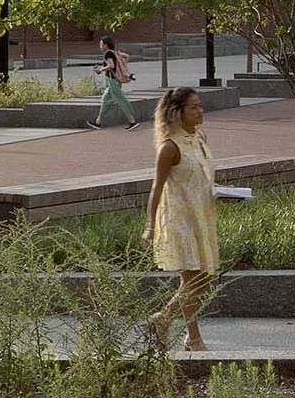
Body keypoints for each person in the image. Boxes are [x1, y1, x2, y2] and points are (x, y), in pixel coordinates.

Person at [144, 84, 218, 352]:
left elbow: (202, 177)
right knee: (192, 277)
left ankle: (163, 319)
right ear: (177, 112)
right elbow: (157, 188)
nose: (201, 111)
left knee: (203, 277)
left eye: (200, 105)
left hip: (201, 215)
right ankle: (193, 338)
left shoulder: (199, 138)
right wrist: (150, 226)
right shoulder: (169, 147)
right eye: (194, 107)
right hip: (179, 218)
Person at [87, 34, 137, 129]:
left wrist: (101, 69)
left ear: (106, 45)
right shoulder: (114, 52)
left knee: (121, 99)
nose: (100, 46)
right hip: (113, 81)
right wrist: (121, 67)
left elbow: (111, 66)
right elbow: (126, 56)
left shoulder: (108, 54)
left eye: (101, 44)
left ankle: (132, 121)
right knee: (105, 100)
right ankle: (98, 122)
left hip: (112, 81)